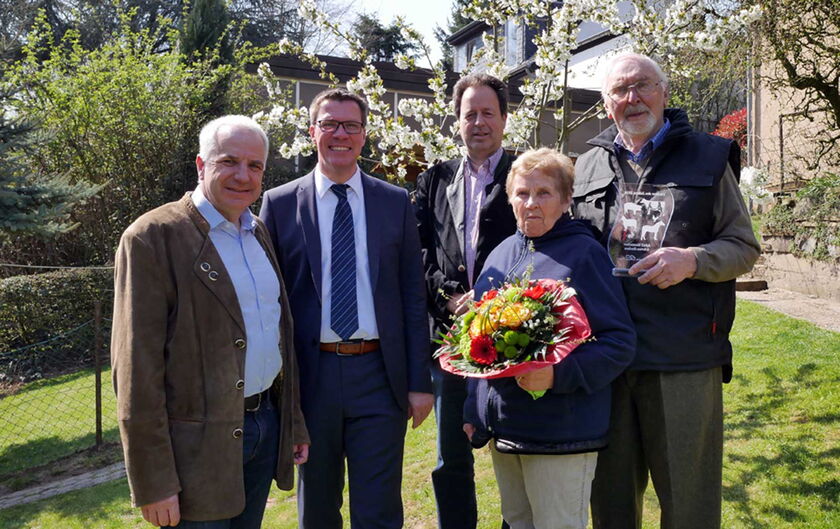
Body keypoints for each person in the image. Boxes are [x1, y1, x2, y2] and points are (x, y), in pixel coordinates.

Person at [572, 53, 761, 529]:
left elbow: (743, 246)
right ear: (605, 103)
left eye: (642, 86)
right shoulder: (587, 165)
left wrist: (692, 260)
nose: (632, 98)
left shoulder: (709, 156)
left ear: (664, 92)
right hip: (607, 361)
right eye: (620, 90)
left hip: (684, 360)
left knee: (689, 506)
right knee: (610, 506)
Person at [111, 115, 310, 528]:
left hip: (263, 427)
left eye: (255, 166)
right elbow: (136, 370)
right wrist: (154, 482)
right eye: (229, 162)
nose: (244, 176)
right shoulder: (152, 237)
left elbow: (276, 335)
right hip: (194, 454)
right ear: (201, 166)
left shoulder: (257, 232)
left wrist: (291, 422)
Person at [259, 88, 434, 529]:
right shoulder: (279, 205)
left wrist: (419, 382)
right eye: (330, 124)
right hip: (311, 378)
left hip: (379, 376)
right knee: (317, 508)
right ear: (312, 131)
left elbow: (413, 296)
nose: (341, 134)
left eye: (351, 125)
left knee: (378, 510)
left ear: (364, 134)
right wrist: (281, 392)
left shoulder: (395, 202)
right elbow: (269, 304)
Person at [463, 147, 636, 529]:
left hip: (563, 432)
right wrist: (475, 410)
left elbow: (619, 343)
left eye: (543, 193)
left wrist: (557, 376)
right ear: (509, 199)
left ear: (565, 199)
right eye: (522, 193)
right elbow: (476, 345)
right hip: (506, 429)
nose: (531, 203)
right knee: (517, 522)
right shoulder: (499, 256)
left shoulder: (585, 255)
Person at [414, 73, 517, 529]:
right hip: (451, 343)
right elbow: (417, 253)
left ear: (504, 119)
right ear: (457, 121)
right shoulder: (433, 180)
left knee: (518, 454)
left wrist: (497, 302)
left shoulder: (526, 173)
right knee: (449, 459)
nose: (479, 122)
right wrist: (448, 298)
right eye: (469, 114)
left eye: (487, 113)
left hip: (515, 338)